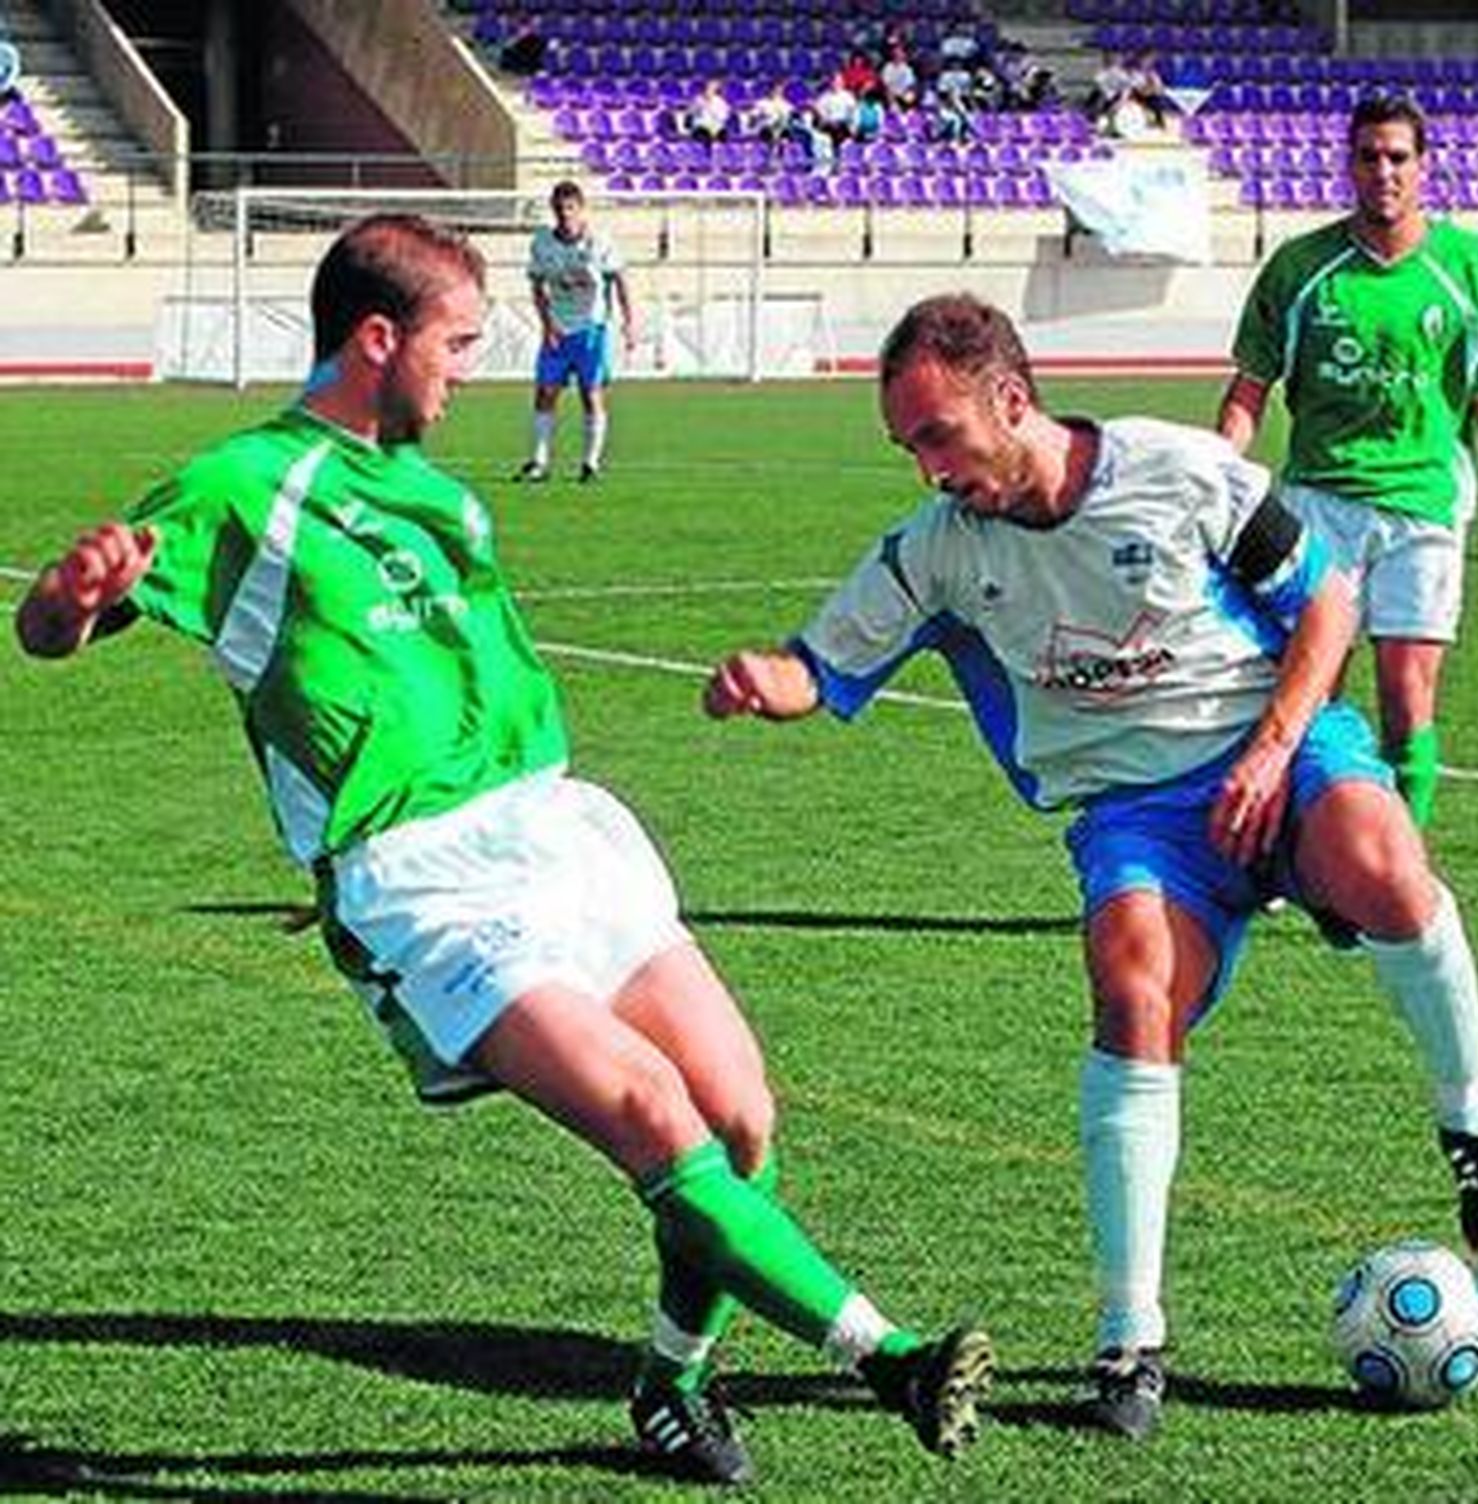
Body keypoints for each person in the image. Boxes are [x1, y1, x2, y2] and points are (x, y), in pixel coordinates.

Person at [13, 217, 995, 1487]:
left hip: (560, 828)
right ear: (379, 337)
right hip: (420, 876)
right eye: (457, 342)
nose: (469, 367)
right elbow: (55, 627)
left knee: (741, 1118)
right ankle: (892, 1355)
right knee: (652, 1114)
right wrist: (70, 593)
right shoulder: (244, 486)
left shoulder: (445, 498)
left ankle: (670, 1381)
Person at [704, 292, 1478, 1442]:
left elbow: (1327, 604)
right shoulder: (937, 551)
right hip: (1136, 815)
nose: (928, 470)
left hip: (1272, 751)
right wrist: (765, 681)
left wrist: (1273, 748)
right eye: (908, 448)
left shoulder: (1177, 470)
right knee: (1131, 980)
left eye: (938, 435)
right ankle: (1130, 1339)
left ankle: (1475, 1127)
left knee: (1383, 859)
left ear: (1010, 398)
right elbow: (822, 664)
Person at [1218, 93, 1478, 827]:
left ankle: (1399, 859)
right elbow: (1249, 391)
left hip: (1423, 505)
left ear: (1423, 166)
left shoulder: (1468, 265)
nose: (1384, 171)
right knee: (1312, 693)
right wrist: (1222, 469)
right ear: (1349, 165)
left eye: (1398, 157)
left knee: (1406, 696)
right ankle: (1295, 852)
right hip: (1320, 506)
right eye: (1369, 156)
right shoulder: (1302, 268)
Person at [515, 180, 636, 486]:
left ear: (581, 210)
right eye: (559, 208)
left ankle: (590, 465)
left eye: (570, 208)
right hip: (558, 328)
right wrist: (547, 325)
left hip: (590, 329)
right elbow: (537, 285)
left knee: (590, 395)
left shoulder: (599, 241)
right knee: (545, 393)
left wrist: (628, 322)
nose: (565, 214)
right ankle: (539, 463)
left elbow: (620, 279)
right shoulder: (542, 242)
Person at [684, 77, 732, 146]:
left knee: (724, 137)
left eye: (713, 88)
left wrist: (714, 112)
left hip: (715, 126)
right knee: (705, 138)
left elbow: (724, 115)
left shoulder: (720, 101)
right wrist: (698, 108)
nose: (710, 90)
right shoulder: (698, 99)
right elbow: (691, 112)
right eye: (709, 88)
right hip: (701, 126)